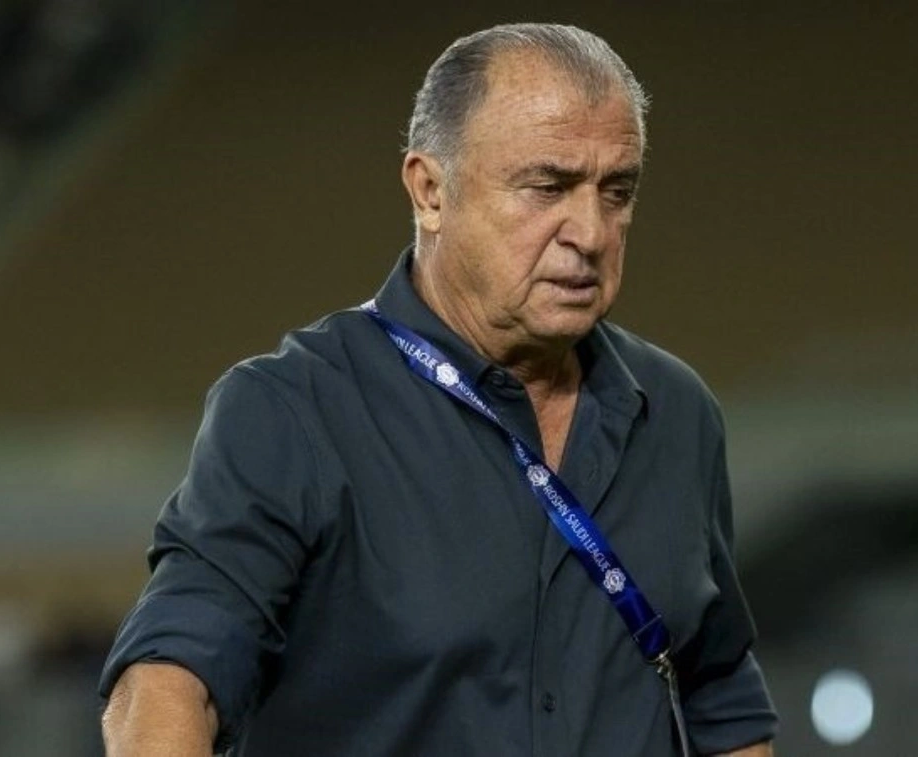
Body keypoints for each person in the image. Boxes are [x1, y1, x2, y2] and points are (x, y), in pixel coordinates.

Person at [99, 22, 777, 756]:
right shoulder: (293, 411)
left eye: (617, 191)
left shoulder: (676, 412)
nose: (590, 232)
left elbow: (720, 693)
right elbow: (170, 677)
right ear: (429, 190)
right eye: (547, 187)